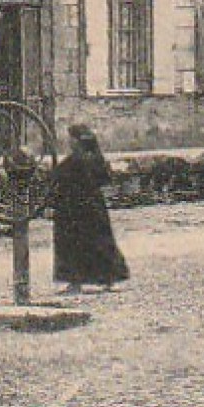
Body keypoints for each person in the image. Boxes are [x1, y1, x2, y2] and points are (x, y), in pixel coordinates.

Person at [51, 125, 129, 293]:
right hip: (92, 206)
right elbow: (104, 179)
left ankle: (76, 282)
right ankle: (107, 278)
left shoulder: (75, 161)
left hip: (75, 208)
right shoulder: (95, 159)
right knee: (98, 241)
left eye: (71, 138)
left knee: (74, 243)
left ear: (78, 141)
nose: (69, 141)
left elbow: (57, 177)